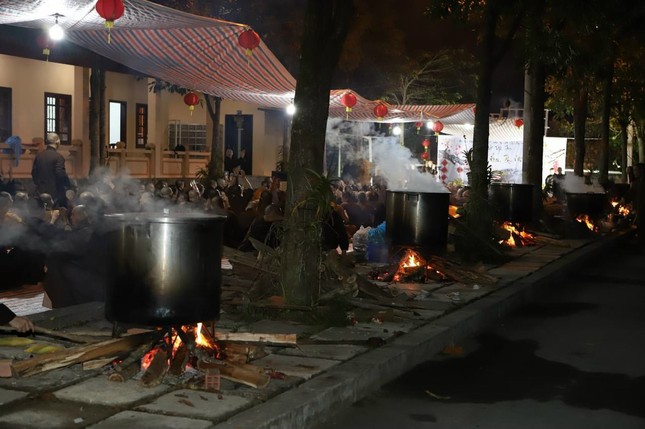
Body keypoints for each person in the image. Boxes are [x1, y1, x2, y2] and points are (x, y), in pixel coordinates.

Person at [31, 133, 70, 208]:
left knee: (41, 212)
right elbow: (60, 174)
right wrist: (67, 185)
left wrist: (39, 184)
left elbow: (34, 173)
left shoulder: (39, 156)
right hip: (55, 195)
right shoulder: (58, 157)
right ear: (57, 142)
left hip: (40, 192)